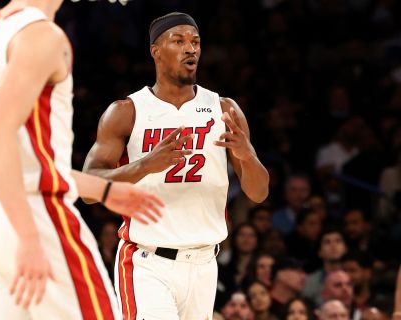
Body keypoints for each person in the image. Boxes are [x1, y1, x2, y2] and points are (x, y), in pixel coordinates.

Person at [0, 1, 164, 319]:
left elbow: (24, 160)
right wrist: (27, 236)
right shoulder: (41, 35)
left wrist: (104, 190)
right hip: (34, 216)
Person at [82, 11, 269, 320]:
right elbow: (88, 189)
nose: (190, 48)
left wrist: (248, 156)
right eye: (179, 41)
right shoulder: (127, 111)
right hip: (147, 261)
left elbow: (259, 193)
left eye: (195, 42)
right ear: (156, 51)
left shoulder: (224, 109)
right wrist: (144, 165)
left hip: (205, 263)